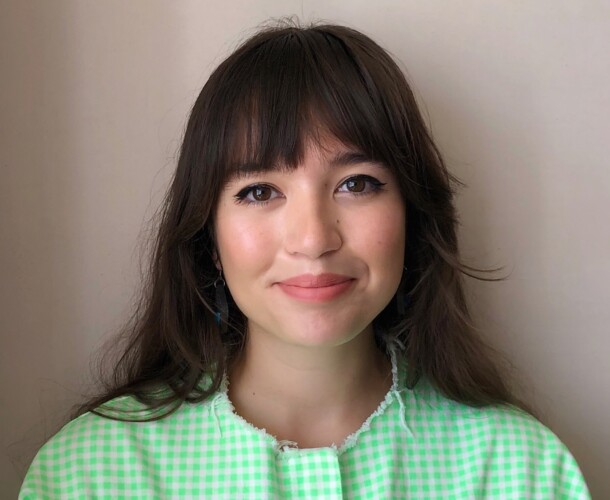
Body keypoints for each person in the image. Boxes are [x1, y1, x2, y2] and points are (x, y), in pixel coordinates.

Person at [20, 21, 589, 499]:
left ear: (413, 216)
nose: (313, 239)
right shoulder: (87, 475)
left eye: (356, 183)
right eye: (259, 191)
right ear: (207, 237)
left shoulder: (522, 471)